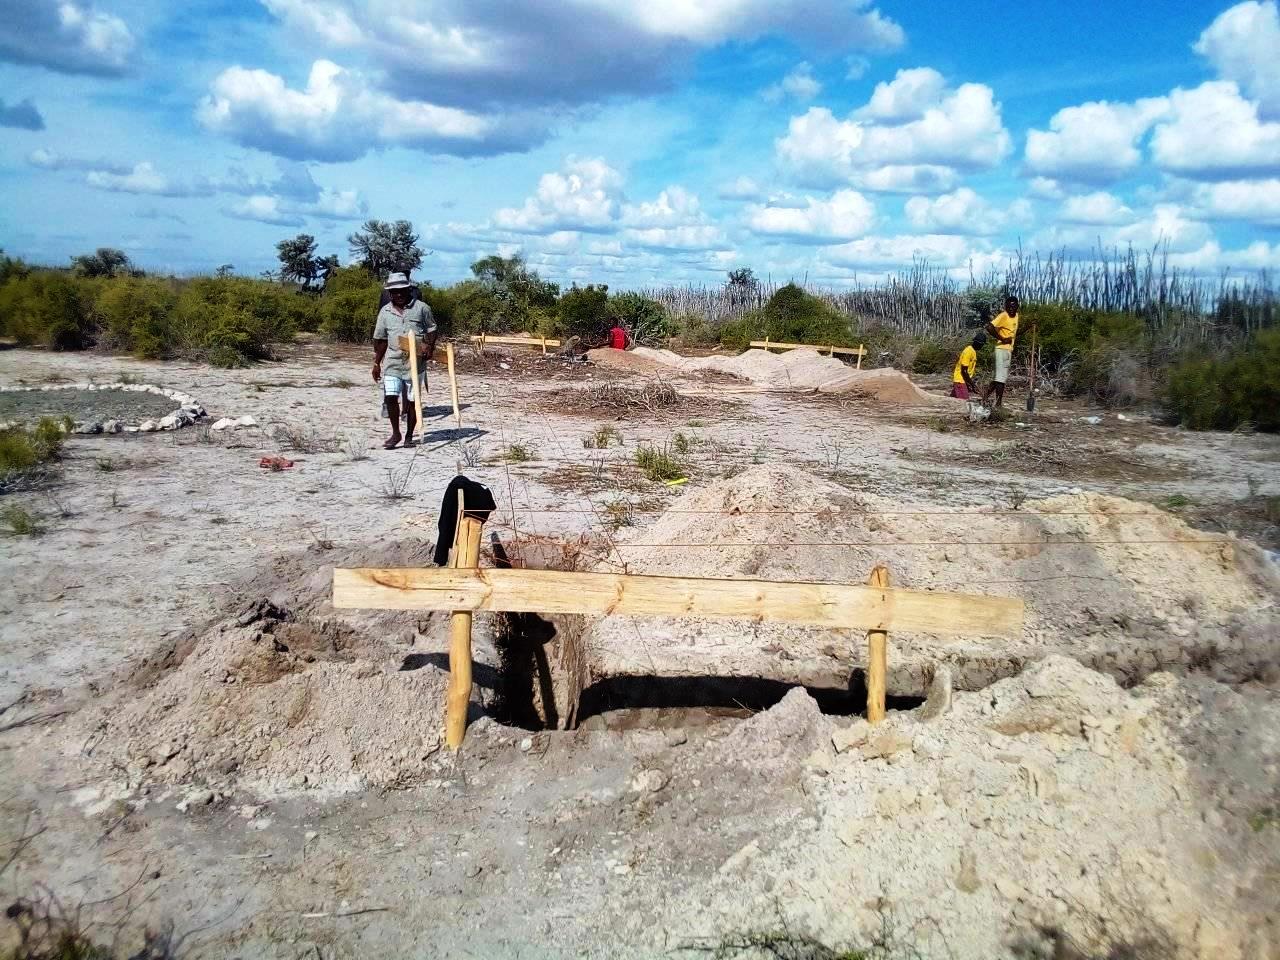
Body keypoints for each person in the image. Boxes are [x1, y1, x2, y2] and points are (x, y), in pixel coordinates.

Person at [372, 272, 437, 449]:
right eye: (394, 292)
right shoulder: (385, 312)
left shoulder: (422, 308)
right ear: (390, 293)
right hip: (393, 362)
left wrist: (430, 346)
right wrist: (377, 363)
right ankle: (396, 433)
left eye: (402, 291)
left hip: (415, 364)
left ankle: (409, 435)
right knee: (390, 397)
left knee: (413, 401)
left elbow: (432, 329)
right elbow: (381, 339)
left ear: (408, 290)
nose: (398, 295)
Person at [981, 295, 1020, 408]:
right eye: (1009, 307)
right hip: (1001, 349)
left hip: (1008, 350)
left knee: (999, 377)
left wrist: (1029, 327)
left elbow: (1014, 334)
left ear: (1017, 306)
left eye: (1013, 306)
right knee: (1001, 379)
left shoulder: (1016, 316)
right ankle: (998, 404)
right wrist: (1002, 339)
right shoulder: (1003, 316)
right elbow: (989, 327)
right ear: (1005, 307)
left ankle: (985, 396)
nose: (1011, 309)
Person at [951, 331, 986, 400]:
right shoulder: (968, 351)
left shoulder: (973, 352)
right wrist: (972, 384)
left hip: (963, 380)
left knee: (953, 401)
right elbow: (964, 371)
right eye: (982, 345)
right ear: (979, 344)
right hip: (960, 380)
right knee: (964, 401)